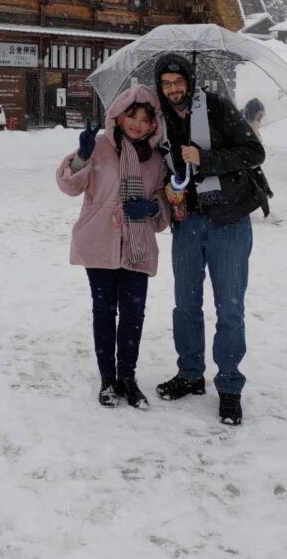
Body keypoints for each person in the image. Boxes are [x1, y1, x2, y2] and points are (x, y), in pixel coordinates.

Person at [153, 53, 266, 426]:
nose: (173, 89)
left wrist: (206, 158)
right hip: (187, 220)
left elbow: (254, 152)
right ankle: (190, 374)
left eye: (178, 81)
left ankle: (230, 386)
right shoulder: (162, 120)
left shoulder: (216, 106)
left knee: (229, 308)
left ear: (189, 80)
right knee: (185, 304)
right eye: (166, 84)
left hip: (229, 219)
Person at [56, 86, 169, 409]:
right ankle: (108, 379)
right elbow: (70, 186)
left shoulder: (157, 158)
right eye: (131, 115)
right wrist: (82, 156)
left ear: (153, 125)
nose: (137, 123)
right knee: (104, 312)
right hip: (100, 242)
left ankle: (128, 378)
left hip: (138, 245)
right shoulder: (100, 146)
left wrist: (152, 209)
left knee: (133, 314)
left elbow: (164, 201)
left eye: (145, 119)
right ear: (117, 116)